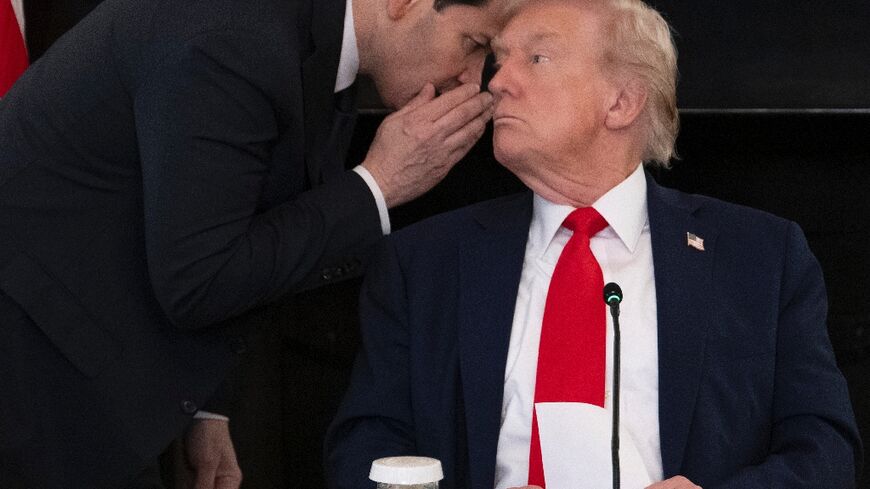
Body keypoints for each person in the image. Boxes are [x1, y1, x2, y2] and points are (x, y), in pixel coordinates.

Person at [324, 0, 863, 488]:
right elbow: (364, 448)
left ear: (622, 101)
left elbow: (825, 449)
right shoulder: (423, 262)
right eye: (499, 59)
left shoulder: (761, 257)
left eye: (535, 60)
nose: (496, 82)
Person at [0, 0, 519, 486]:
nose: (473, 80)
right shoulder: (230, 38)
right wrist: (378, 184)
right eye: (473, 44)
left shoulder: (303, 32)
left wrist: (202, 407)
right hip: (37, 381)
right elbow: (200, 279)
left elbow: (223, 215)